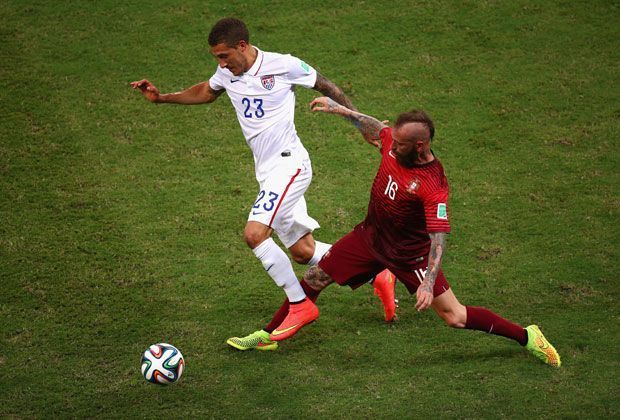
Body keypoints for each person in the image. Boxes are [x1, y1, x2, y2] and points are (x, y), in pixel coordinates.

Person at [227, 96, 561, 368]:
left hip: (408, 255)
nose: (390, 146)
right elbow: (377, 129)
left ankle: (527, 336)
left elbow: (438, 237)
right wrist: (341, 110)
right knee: (314, 277)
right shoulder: (394, 143)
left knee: (455, 317)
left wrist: (428, 283)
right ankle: (268, 335)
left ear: (420, 145)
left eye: (399, 144)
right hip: (369, 238)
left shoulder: (432, 185)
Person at [130, 18, 397, 328]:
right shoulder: (228, 72)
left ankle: (299, 305)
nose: (221, 64)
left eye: (224, 56)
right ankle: (377, 273)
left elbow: (327, 86)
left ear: (242, 46)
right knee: (302, 250)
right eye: (217, 58)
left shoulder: (283, 65)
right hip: (268, 171)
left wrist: (360, 122)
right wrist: (162, 98)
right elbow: (207, 90)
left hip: (290, 165)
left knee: (254, 235)